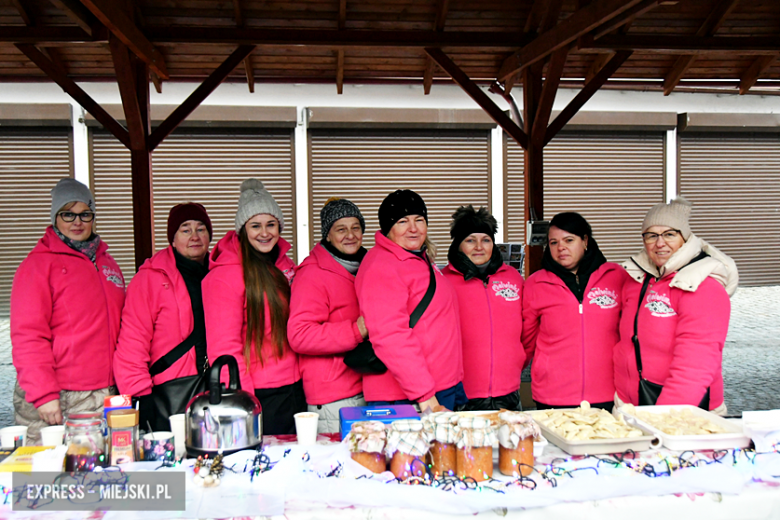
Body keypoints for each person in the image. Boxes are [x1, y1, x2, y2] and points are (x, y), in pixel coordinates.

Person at [11, 178, 126, 444]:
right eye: (68, 214)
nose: (77, 221)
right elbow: (28, 336)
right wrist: (43, 394)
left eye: (84, 213)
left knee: (101, 476)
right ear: (55, 218)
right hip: (59, 396)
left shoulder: (108, 264)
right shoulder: (37, 267)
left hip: (104, 392)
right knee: (48, 479)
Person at [614, 197, 738, 414]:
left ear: (686, 238)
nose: (660, 243)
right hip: (630, 405)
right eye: (651, 235)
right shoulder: (638, 280)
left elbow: (696, 364)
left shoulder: (703, 287)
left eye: (670, 234)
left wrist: (664, 417)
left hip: (679, 412)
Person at [203, 179, 304, 435]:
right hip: (260, 394)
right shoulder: (225, 276)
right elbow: (224, 348)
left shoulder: (283, 266)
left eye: (271, 224)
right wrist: (243, 401)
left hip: (295, 388)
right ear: (242, 230)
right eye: (255, 225)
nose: (265, 232)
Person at [355, 189, 466, 411]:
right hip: (409, 397)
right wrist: (425, 397)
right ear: (388, 228)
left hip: (440, 386)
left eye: (419, 220)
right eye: (403, 221)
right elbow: (391, 336)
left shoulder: (417, 258)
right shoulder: (383, 266)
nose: (413, 228)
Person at [114, 203, 212, 431]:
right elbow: (132, 343)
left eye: (201, 229)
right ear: (173, 238)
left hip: (214, 389)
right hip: (167, 393)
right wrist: (139, 395)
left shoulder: (220, 273)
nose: (194, 236)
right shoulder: (150, 278)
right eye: (185, 230)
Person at [522, 212, 625, 411]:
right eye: (553, 242)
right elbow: (526, 341)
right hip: (552, 395)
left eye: (569, 240)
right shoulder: (536, 283)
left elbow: (630, 332)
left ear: (585, 240)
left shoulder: (616, 276)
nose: (561, 248)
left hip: (608, 392)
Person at [288, 198, 368, 433]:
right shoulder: (312, 274)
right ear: (327, 235)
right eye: (341, 229)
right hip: (334, 399)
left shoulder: (367, 266)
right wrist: (356, 330)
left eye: (356, 227)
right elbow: (299, 335)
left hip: (366, 386)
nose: (350, 235)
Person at [443, 205, 525, 411]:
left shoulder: (513, 278)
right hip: (462, 393)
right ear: (458, 244)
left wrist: (518, 358)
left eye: (485, 240)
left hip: (509, 392)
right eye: (470, 240)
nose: (479, 246)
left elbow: (529, 327)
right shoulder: (442, 281)